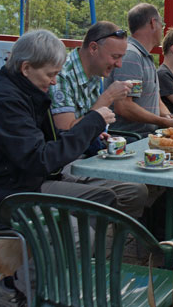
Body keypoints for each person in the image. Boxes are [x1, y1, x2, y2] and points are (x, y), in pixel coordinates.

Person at [0, 30, 116, 306]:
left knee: (105, 200)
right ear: (26, 67)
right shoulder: (6, 101)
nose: (54, 81)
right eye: (50, 74)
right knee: (80, 234)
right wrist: (92, 121)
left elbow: (40, 150)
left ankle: (40, 278)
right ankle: (20, 289)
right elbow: (39, 159)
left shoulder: (23, 91)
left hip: (17, 185)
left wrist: (87, 133)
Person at [48, 21, 149, 219]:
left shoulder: (94, 75)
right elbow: (67, 135)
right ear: (93, 48)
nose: (119, 64)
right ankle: (92, 237)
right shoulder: (61, 77)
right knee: (134, 190)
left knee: (146, 179)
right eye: (115, 57)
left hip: (89, 154)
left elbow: (87, 126)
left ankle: (101, 236)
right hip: (66, 163)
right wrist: (107, 99)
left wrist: (99, 132)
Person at [104, 3, 173, 136]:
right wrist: (162, 122)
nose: (162, 30)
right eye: (162, 25)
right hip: (131, 139)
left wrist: (168, 117)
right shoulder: (131, 56)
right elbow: (123, 106)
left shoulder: (144, 56)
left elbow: (156, 100)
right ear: (153, 23)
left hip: (148, 135)